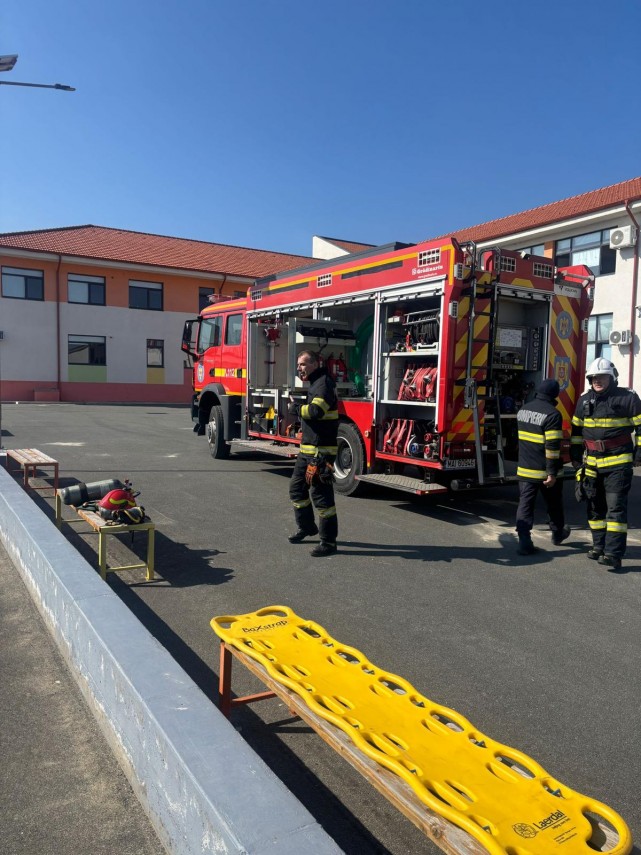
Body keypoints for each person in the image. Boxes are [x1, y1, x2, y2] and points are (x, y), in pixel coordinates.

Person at [570, 357, 641, 571]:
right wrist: (574, 456)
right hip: (591, 464)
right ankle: (598, 547)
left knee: (615, 510)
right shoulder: (584, 401)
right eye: (593, 377)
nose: (597, 381)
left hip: (618, 465)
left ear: (612, 378)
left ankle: (613, 553)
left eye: (602, 377)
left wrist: (639, 453)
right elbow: (575, 432)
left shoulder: (628, 398)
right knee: (594, 508)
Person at [288, 351, 339, 557]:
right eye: (298, 364)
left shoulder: (324, 383)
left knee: (322, 498)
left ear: (315, 364)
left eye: (303, 364)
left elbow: (317, 412)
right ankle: (307, 527)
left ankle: (328, 542)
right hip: (307, 450)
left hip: (320, 452)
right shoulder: (316, 383)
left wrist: (296, 408)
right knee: (297, 489)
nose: (299, 368)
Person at [515, 378, 570, 555]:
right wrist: (552, 473)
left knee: (525, 505)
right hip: (545, 471)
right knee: (554, 504)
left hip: (525, 469)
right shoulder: (553, 414)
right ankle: (557, 533)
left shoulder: (523, 410)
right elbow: (552, 448)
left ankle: (524, 541)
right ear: (554, 395)